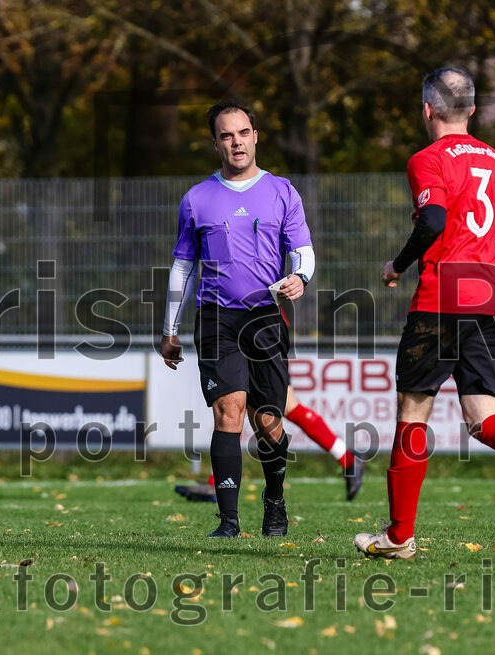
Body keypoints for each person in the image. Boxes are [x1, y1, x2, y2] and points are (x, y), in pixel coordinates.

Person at [354, 68, 495, 559]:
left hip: (445, 293)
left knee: (413, 410)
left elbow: (433, 218)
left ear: (427, 109)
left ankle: (398, 536)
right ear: (473, 110)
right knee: (483, 416)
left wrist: (398, 263)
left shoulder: (427, 159)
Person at [161, 101, 315, 538]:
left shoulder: (283, 191)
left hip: (266, 317)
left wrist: (300, 277)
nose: (236, 142)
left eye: (243, 132)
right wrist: (169, 329)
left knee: (267, 421)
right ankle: (227, 522)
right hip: (216, 320)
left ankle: (275, 501)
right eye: (227, 135)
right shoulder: (196, 199)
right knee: (228, 413)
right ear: (216, 143)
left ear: (255, 136)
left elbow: (303, 252)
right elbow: (182, 268)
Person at [174, 385, 366, 502]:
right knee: (241, 407)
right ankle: (348, 460)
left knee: (279, 407)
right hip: (257, 340)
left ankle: (349, 460)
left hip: (265, 341)